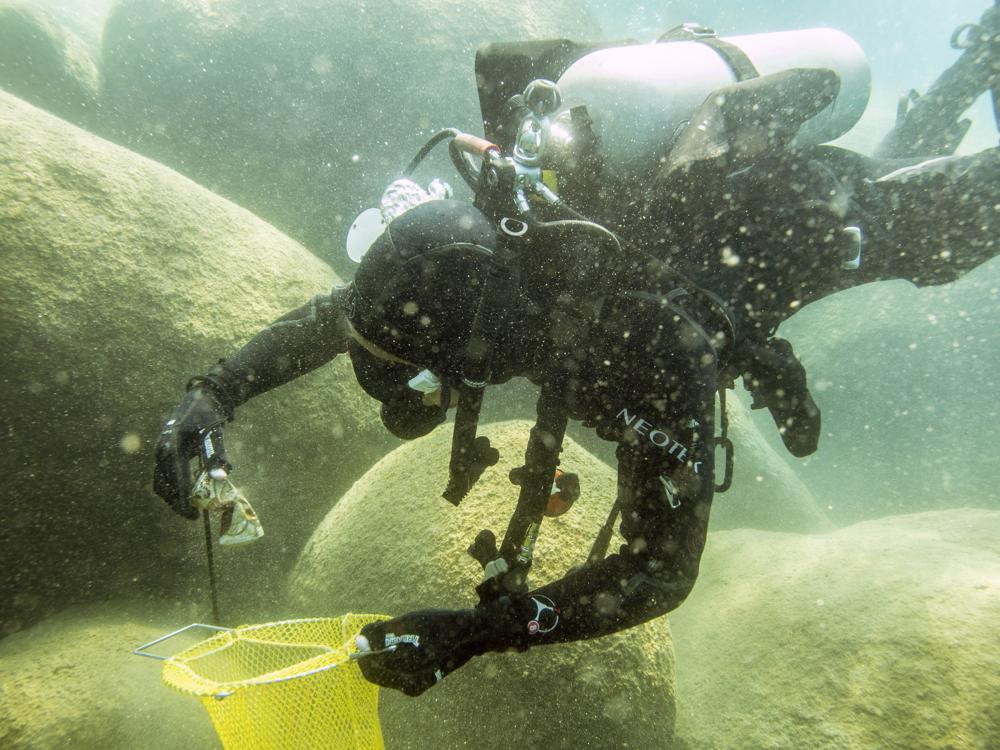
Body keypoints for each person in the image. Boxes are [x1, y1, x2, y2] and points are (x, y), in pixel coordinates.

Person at [154, 24, 1000, 697]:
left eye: (431, 383)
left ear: (471, 346)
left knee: (947, 213)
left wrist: (478, 634)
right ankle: (959, 85)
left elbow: (661, 572)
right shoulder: (479, 251)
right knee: (899, 166)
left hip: (813, 225)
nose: (425, 404)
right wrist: (212, 397)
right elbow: (338, 317)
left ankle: (967, 82)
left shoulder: (642, 348)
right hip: (705, 249)